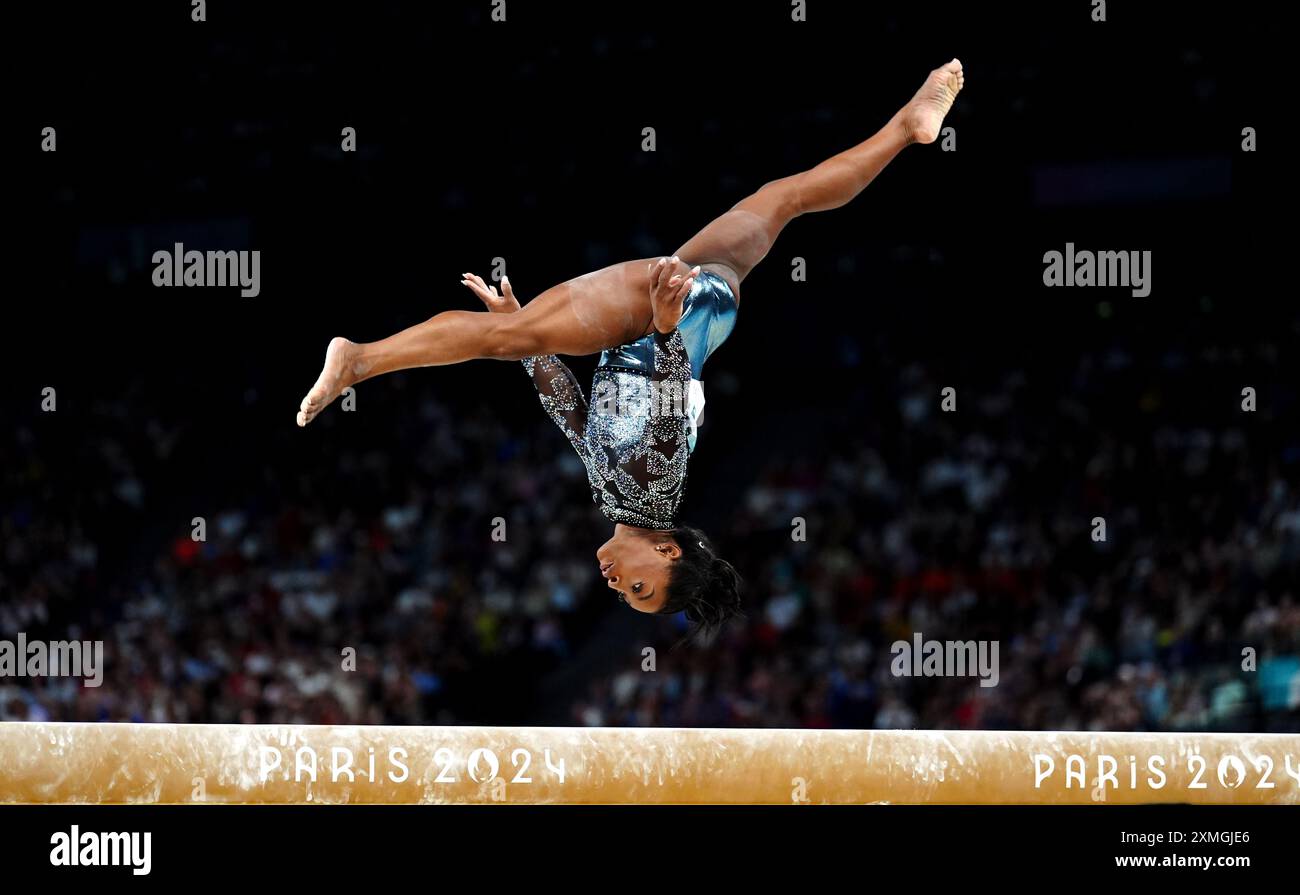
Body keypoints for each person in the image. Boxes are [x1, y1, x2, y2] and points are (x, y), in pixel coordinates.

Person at [296, 60, 965, 640]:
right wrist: (664, 327)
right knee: (506, 338)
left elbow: (575, 419)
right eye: (640, 589)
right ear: (669, 552)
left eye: (626, 597)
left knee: (782, 199)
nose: (619, 586)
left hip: (705, 310)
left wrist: (536, 355)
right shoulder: (657, 487)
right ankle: (359, 360)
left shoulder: (621, 497)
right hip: (656, 324)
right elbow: (675, 413)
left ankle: (905, 128)